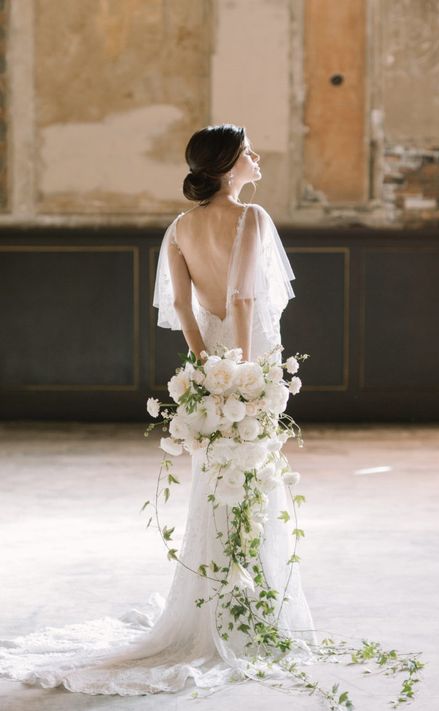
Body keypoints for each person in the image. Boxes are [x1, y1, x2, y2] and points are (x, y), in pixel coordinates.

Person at [0, 124, 318, 697]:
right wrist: (243, 375)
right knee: (256, 478)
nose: (256, 157)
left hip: (214, 367)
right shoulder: (252, 220)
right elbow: (244, 300)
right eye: (248, 152)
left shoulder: (179, 228)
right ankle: (253, 615)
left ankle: (215, 609)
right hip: (249, 361)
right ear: (227, 165)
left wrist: (208, 374)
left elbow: (185, 308)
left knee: (217, 481)